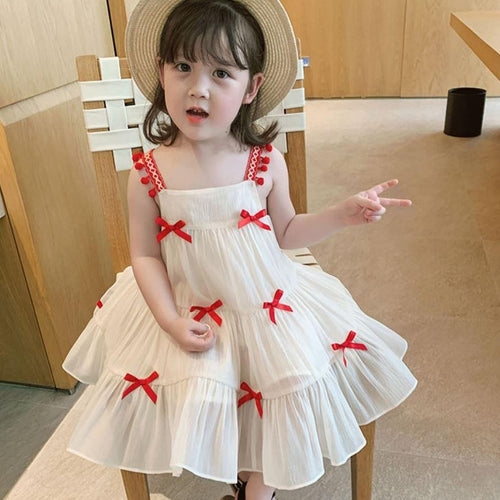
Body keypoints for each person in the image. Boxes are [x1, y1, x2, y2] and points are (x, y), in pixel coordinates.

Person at [63, 0, 417, 499]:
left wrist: (343, 214)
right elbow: (144, 255)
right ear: (161, 72)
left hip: (264, 304)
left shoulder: (264, 161)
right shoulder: (149, 173)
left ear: (251, 88)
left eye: (221, 73)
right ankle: (236, 465)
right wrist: (169, 320)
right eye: (183, 66)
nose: (198, 87)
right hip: (188, 305)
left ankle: (256, 486)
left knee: (294, 374)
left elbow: (286, 231)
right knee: (200, 381)